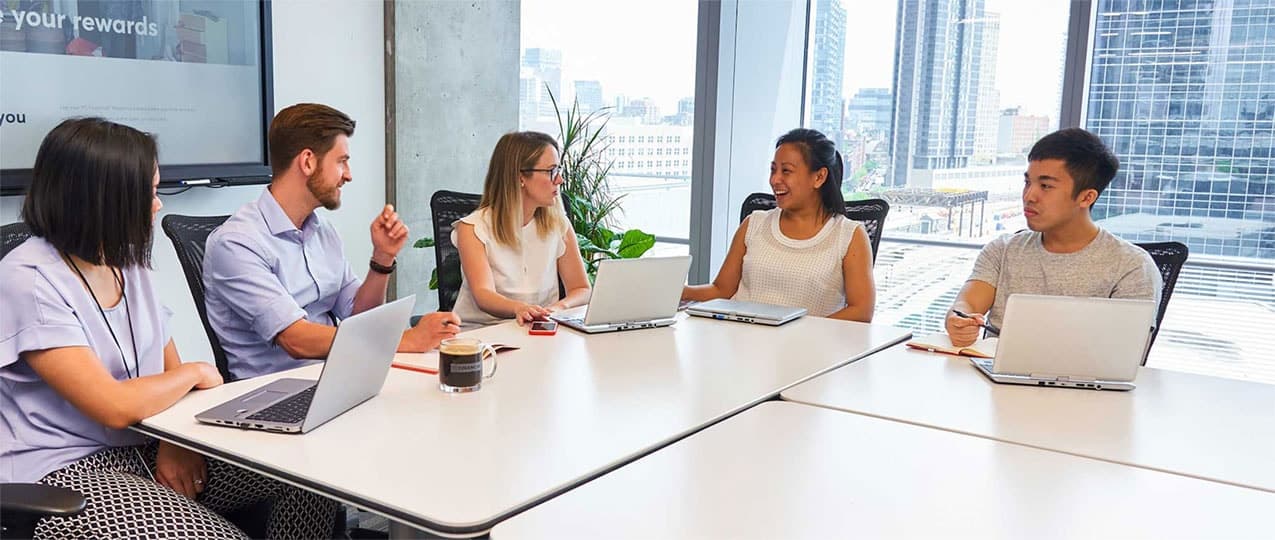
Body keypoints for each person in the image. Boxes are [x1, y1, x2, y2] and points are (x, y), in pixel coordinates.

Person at [0, 117, 338, 539]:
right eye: (150, 193)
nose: (157, 206)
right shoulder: (28, 278)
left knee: (311, 473)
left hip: (143, 445)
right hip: (61, 473)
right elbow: (114, 405)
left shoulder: (127, 261)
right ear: (103, 198)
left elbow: (164, 366)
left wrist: (176, 442)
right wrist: (194, 373)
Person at [204, 103, 460, 380]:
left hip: (336, 377)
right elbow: (296, 339)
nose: (348, 175)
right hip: (273, 394)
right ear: (308, 161)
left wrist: (382, 259)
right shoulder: (236, 243)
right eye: (341, 161)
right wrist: (405, 340)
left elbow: (357, 316)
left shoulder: (323, 231)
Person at [945, 127, 1162, 347]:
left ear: (1086, 197)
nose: (1029, 196)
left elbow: (1124, 353)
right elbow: (967, 304)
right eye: (1028, 182)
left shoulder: (1133, 266)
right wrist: (959, 320)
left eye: (1046, 186)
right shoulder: (1002, 250)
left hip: (1080, 379)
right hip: (990, 377)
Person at [682, 128, 875, 321]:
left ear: (819, 177)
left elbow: (861, 310)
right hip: (741, 339)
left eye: (786, 171)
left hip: (805, 347)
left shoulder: (849, 235)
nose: (775, 180)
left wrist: (802, 331)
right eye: (773, 170)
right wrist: (680, 291)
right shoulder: (754, 223)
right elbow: (722, 289)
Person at [452, 131, 591, 326]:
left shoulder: (558, 225)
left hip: (540, 330)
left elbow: (581, 288)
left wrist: (559, 308)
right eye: (551, 171)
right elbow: (484, 295)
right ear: (520, 177)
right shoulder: (473, 228)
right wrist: (519, 308)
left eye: (558, 170)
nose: (559, 180)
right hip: (483, 336)